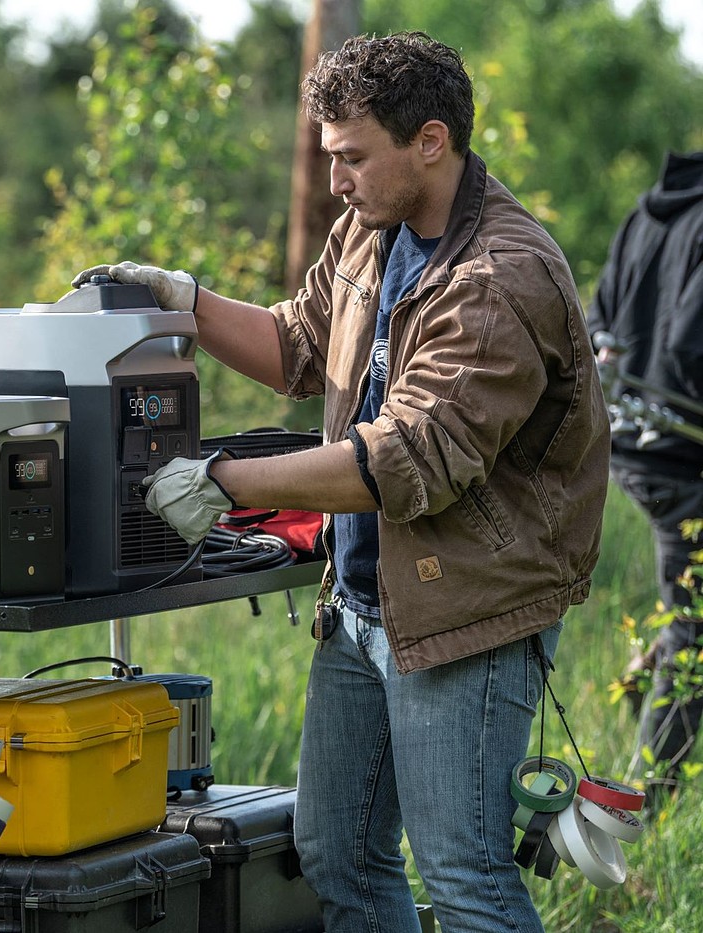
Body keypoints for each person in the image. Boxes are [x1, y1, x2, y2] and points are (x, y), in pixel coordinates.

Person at [73, 32, 609, 932]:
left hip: (465, 617)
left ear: (430, 141)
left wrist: (225, 480)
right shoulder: (372, 226)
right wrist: (185, 302)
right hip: (361, 606)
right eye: (330, 157)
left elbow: (405, 458)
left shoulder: (500, 280)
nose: (335, 182)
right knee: (340, 856)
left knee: (465, 873)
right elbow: (295, 344)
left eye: (352, 156)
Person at [586, 150, 703, 809]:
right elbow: (692, 344)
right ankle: (643, 807)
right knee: (698, 625)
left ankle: (638, 681)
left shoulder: (648, 210)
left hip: (629, 444)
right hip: (683, 457)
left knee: (691, 606)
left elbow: (598, 317)